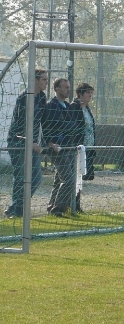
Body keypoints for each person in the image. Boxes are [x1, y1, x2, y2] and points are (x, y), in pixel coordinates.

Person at [4, 68, 48, 218]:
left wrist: (43, 142)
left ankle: (17, 207)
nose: (46, 82)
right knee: (21, 177)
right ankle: (17, 210)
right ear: (35, 80)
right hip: (18, 143)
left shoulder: (42, 97)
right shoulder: (24, 98)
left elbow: (43, 122)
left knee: (35, 178)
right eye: (44, 79)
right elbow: (18, 126)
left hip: (33, 144)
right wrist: (29, 142)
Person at [42, 78, 78, 217]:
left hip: (69, 147)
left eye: (69, 87)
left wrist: (66, 126)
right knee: (69, 180)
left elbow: (73, 125)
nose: (68, 90)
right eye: (65, 87)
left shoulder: (67, 106)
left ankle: (51, 207)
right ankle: (58, 209)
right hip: (57, 148)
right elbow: (50, 126)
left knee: (59, 180)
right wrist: (50, 142)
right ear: (57, 89)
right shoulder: (51, 106)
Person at [71, 82, 96, 214]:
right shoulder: (74, 107)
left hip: (87, 148)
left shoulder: (87, 109)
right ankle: (73, 206)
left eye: (91, 93)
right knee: (75, 177)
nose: (90, 95)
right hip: (77, 148)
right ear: (80, 93)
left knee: (81, 177)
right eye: (88, 92)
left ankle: (76, 205)